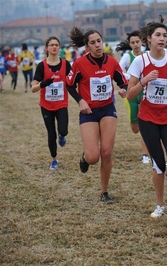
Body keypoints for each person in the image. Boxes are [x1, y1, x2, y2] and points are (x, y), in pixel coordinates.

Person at [126, 15, 167, 218]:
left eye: (164, 35)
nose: (162, 38)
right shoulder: (141, 61)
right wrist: (143, 81)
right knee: (158, 163)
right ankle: (160, 205)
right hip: (148, 118)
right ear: (148, 39)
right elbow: (129, 94)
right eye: (158, 35)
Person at [66, 27, 128, 204]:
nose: (97, 45)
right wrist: (80, 100)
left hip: (108, 109)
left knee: (107, 152)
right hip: (89, 112)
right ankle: (85, 157)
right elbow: (69, 84)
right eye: (92, 43)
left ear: (103, 41)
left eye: (99, 41)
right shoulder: (79, 64)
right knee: (93, 157)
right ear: (87, 46)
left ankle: (104, 191)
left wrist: (124, 90)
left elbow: (122, 82)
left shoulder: (112, 62)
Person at [31, 36, 71, 170]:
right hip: (46, 106)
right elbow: (33, 88)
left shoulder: (66, 64)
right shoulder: (42, 66)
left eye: (56, 45)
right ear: (47, 48)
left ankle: (62, 136)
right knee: (51, 134)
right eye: (51, 45)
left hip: (61, 104)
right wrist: (43, 84)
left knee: (63, 130)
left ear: (59, 48)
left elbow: (73, 81)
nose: (54, 47)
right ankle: (54, 159)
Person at [116, 30, 150, 164]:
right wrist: (128, 82)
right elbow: (118, 72)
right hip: (132, 93)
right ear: (129, 44)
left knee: (145, 124)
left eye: (137, 42)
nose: (136, 45)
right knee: (135, 129)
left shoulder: (147, 55)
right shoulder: (127, 57)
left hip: (146, 92)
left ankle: (145, 154)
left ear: (142, 42)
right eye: (133, 43)